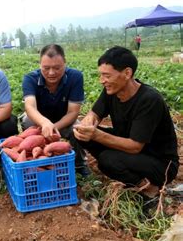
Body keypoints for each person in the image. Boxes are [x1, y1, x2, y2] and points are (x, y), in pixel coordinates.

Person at [73, 46, 179, 198]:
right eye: (101, 75)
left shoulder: (149, 100)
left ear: (127, 73)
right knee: (79, 134)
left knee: (107, 160)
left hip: (160, 164)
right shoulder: (112, 90)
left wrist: (96, 135)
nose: (102, 81)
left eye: (107, 76)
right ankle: (126, 173)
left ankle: (148, 188)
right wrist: (89, 121)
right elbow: (95, 113)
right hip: (131, 149)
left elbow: (135, 146)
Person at [21, 44, 90, 176]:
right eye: (46, 68)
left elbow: (73, 112)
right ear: (39, 64)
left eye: (57, 68)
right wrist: (44, 124)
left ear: (65, 63)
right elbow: (30, 107)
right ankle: (35, 160)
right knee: (26, 120)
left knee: (79, 129)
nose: (51, 73)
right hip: (39, 121)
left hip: (64, 119)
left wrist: (53, 128)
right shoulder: (30, 79)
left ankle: (80, 163)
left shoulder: (75, 77)